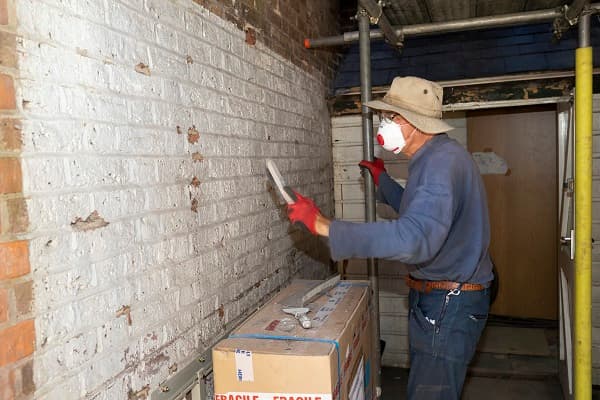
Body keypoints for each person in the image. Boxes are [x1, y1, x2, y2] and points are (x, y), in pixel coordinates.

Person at [286, 76, 494, 400]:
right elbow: (423, 212)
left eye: (393, 117)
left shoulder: (440, 163)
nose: (386, 123)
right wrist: (383, 181)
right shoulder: (435, 156)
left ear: (416, 123)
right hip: (445, 298)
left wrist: (324, 225)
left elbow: (413, 238)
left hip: (447, 304)